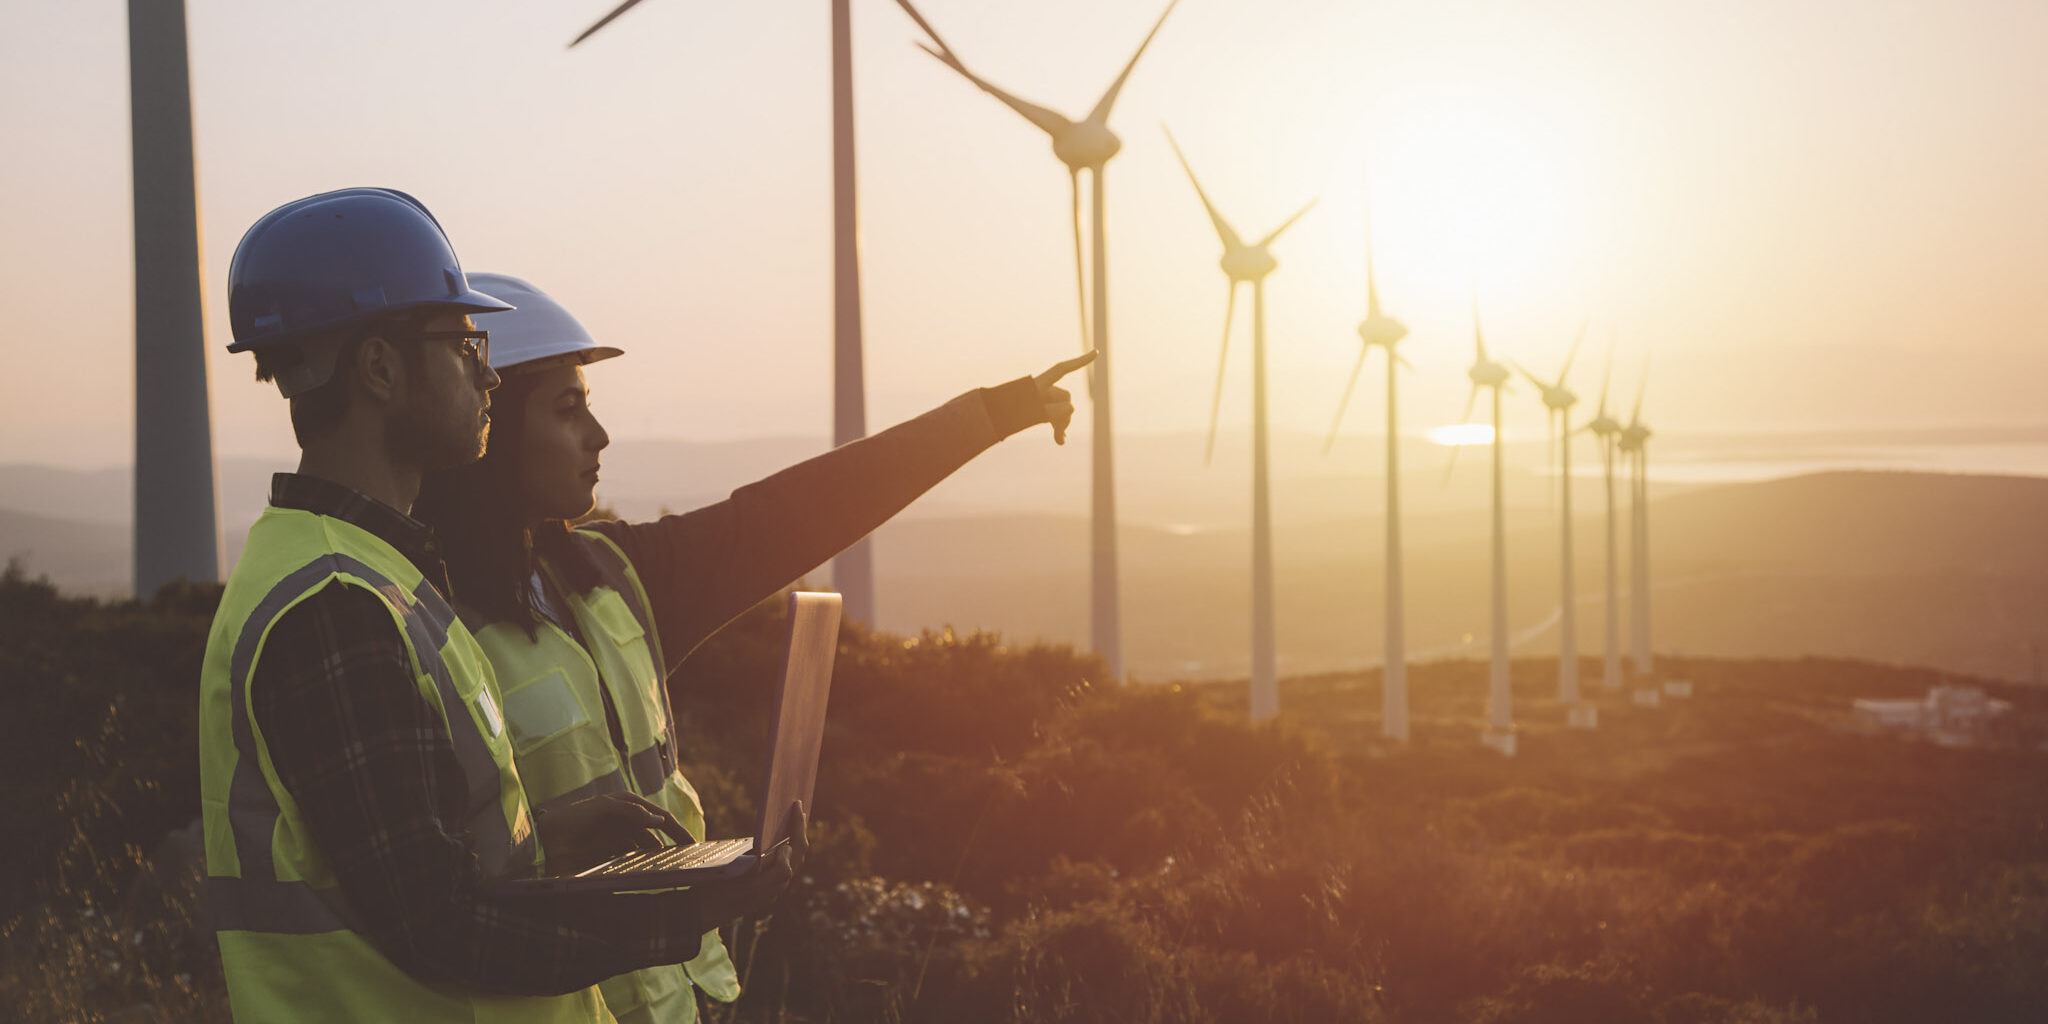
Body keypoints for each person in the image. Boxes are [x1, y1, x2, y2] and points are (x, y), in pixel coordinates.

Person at [409, 273, 1095, 1023]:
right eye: (568, 410)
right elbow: (443, 891)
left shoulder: (613, 578)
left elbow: (800, 510)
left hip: (687, 1001)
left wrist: (994, 413)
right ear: (491, 426)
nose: (598, 435)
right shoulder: (419, 625)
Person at [195, 189, 800, 1024]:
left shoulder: (372, 573)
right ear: (377, 368)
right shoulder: (335, 607)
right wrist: (682, 910)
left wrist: (549, 833)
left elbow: (403, 862)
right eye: (463, 343)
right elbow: (441, 926)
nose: (487, 371)